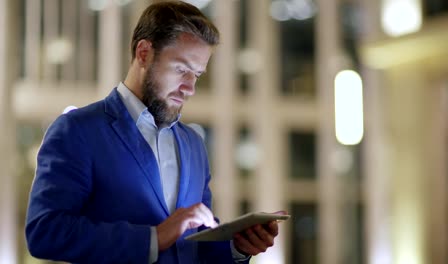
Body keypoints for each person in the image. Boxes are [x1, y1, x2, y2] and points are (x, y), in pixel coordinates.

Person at [25, 1, 284, 263]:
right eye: (181, 70)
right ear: (144, 53)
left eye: (197, 74)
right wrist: (153, 238)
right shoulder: (77, 130)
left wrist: (237, 248)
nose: (190, 88)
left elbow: (194, 244)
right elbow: (45, 233)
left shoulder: (193, 144)